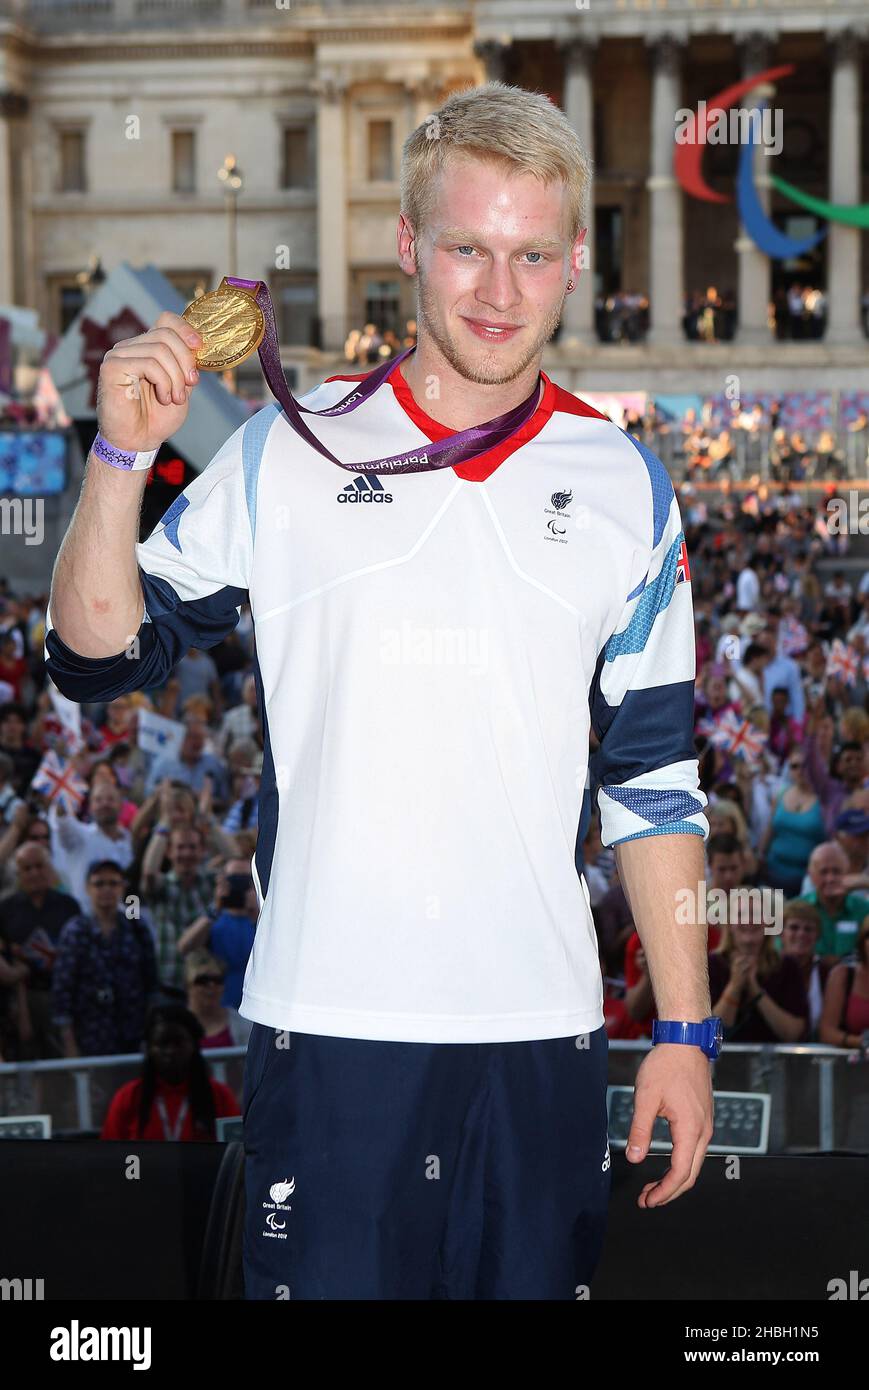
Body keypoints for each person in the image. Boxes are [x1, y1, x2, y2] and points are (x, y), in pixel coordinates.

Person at [44, 81, 715, 1301]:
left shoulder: (629, 486)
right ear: (408, 246)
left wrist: (680, 1029)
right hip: (329, 1027)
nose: (498, 293)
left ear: (574, 260)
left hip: (541, 1036)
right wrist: (119, 459)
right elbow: (95, 659)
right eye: (465, 249)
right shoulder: (280, 450)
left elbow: (654, 783)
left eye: (529, 256)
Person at [51, 859, 159, 1057]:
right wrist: (69, 1045)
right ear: (87, 888)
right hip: (90, 1035)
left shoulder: (137, 928)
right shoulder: (75, 931)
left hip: (133, 1034)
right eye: (99, 884)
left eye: (113, 883)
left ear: (122, 888)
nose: (106, 890)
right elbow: (63, 991)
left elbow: (151, 984)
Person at [100, 1004, 240, 1141]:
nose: (170, 1051)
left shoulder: (219, 1096)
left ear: (194, 1046)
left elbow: (236, 1153)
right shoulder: (128, 1097)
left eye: (178, 1043)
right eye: (162, 1043)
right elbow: (111, 1158)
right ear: (149, 1049)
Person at [0, 841, 80, 1058]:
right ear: (18, 873)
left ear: (49, 867)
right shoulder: (6, 909)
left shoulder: (69, 905)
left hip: (62, 997)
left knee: (62, 1068)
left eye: (39, 866)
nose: (34, 873)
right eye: (27, 868)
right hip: (20, 1002)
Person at [708, 910, 808, 1043]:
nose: (749, 920)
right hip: (721, 1060)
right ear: (729, 924)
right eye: (740, 915)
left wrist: (755, 990)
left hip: (775, 1060)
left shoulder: (787, 966)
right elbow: (712, 1035)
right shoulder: (711, 964)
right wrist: (735, 985)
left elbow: (793, 1034)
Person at [791, 842, 869, 961]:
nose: (830, 878)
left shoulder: (864, 910)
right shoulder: (795, 911)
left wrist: (866, 882)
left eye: (836, 872)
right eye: (824, 872)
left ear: (847, 872)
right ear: (811, 875)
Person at [184, 948, 252, 1049]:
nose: (211, 985)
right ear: (188, 985)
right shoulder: (177, 1025)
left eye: (217, 980)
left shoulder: (242, 1023)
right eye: (203, 980)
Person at [818, 916, 869, 1051]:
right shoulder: (843, 975)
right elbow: (827, 1032)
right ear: (862, 942)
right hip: (851, 1066)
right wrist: (860, 1042)